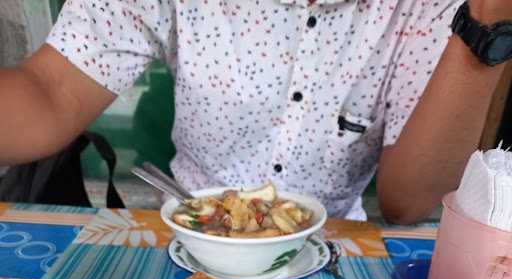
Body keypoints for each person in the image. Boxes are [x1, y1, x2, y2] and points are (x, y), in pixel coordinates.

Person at [0, 0, 510, 223]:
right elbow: (51, 90)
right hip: (189, 229)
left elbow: (409, 200)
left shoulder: (434, 6)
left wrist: (489, 20)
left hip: (330, 246)